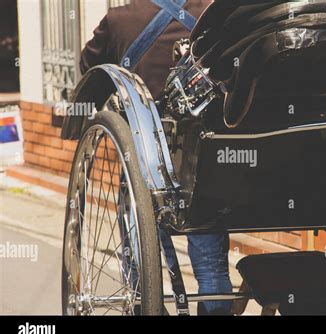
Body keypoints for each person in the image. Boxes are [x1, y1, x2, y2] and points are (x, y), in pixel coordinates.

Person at [80, 0, 233, 315]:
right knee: (210, 265)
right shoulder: (214, 13)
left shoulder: (119, 20)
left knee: (139, 255)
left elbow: (89, 72)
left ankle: (142, 305)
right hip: (202, 160)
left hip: (141, 158)